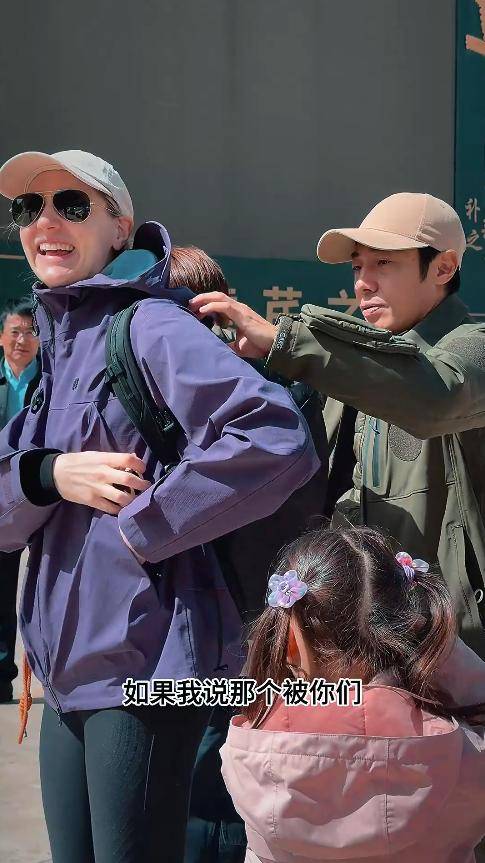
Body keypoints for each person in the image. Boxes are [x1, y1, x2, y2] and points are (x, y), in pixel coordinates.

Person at [0, 148, 319, 863]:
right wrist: (50, 474)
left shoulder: (148, 325)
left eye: (71, 205)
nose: (45, 222)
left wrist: (142, 528)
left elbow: (274, 436)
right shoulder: (58, 347)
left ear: (120, 228)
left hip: (147, 669)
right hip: (66, 673)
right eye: (28, 207)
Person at [190, 192, 485, 659]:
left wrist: (286, 342)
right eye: (357, 267)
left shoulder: (472, 348)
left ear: (444, 268)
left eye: (384, 263)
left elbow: (436, 396)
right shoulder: (349, 366)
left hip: (451, 649)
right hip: (357, 640)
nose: (363, 284)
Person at [221, 525, 485, 862]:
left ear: (289, 643)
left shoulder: (250, 754)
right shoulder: (464, 759)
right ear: (406, 622)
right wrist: (436, 644)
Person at [168, 246, 246, 862]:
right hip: (250, 626)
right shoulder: (271, 386)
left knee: (198, 781)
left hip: (198, 626)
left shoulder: (178, 391)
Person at [0, 297, 40, 702]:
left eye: (30, 333)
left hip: (41, 495)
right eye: (15, 332)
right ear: (1, 337)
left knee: (43, 588)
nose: (22, 340)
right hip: (1, 499)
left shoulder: (51, 378)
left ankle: (51, 672)